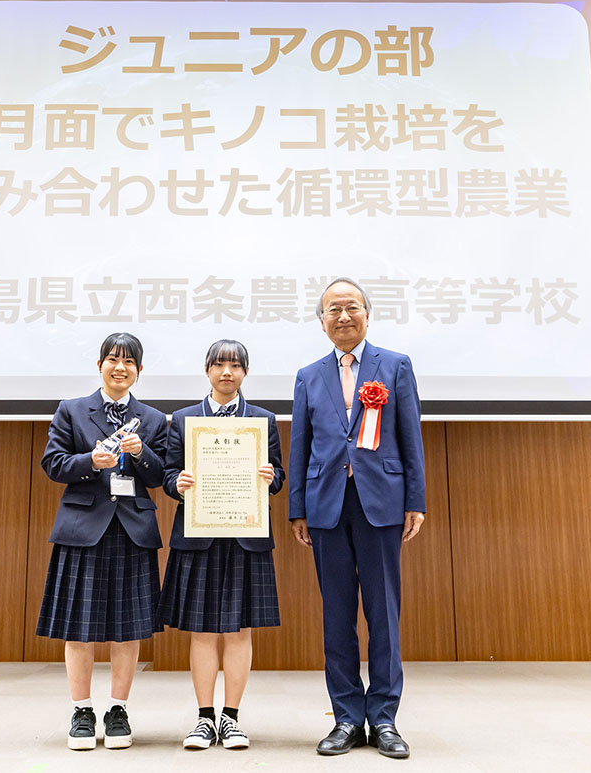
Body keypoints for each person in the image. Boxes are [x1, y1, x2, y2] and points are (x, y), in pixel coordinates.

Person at [289, 277, 426, 759]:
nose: (342, 316)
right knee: (337, 616)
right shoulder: (308, 374)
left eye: (351, 307)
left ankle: (384, 719)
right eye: (332, 310)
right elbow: (301, 445)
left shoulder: (395, 365)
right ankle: (347, 717)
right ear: (321, 321)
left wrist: (416, 500)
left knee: (384, 614)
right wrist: (297, 508)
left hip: (381, 502)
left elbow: (410, 437)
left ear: (367, 314)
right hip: (326, 505)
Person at [36, 332, 168, 751]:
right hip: (82, 530)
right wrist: (90, 462)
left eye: (129, 362)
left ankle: (117, 710)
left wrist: (143, 452)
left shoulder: (151, 418)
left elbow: (159, 476)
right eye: (113, 359)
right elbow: (53, 464)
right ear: (100, 365)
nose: (120, 367)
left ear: (139, 371)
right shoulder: (72, 410)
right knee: (80, 627)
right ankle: (81, 710)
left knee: (128, 628)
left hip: (133, 529)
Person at [157, 339, 285, 751]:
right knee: (201, 631)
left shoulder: (263, 420)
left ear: (245, 372)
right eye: (219, 365)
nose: (226, 372)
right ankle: (203, 719)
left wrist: (270, 477)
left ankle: (231, 719)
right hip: (199, 534)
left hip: (246, 536)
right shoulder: (183, 419)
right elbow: (167, 474)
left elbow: (280, 477)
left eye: (235, 366)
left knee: (239, 630)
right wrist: (176, 484)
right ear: (207, 370)